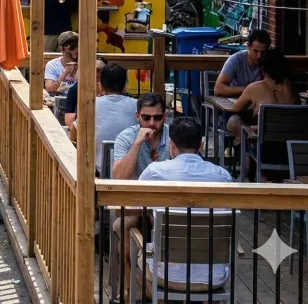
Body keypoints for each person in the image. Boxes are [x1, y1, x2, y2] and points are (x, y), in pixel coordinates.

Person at [135, 117, 233, 292]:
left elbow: (139, 207)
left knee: (135, 252)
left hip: (164, 274)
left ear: (171, 145)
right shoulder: (222, 176)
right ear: (201, 145)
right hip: (212, 277)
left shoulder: (155, 172)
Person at [109, 92, 170, 299]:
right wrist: (137, 143)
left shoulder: (174, 137)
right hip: (138, 207)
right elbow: (120, 177)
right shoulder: (127, 137)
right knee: (123, 227)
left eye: (157, 117)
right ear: (137, 117)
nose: (152, 123)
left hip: (168, 208)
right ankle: (130, 292)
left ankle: (154, 287)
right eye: (146, 117)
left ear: (165, 116)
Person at [66, 63, 138, 175]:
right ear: (125, 86)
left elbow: (74, 135)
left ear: (100, 86)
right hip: (132, 172)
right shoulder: (138, 105)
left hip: (97, 172)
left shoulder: (91, 105)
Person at [229, 47, 295, 147]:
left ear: (263, 68)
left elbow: (236, 108)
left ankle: (243, 145)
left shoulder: (255, 87)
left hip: (265, 147)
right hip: (290, 146)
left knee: (233, 120)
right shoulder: (289, 87)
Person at [213, 29, 269, 96]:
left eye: (263, 52)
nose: (259, 56)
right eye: (256, 51)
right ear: (248, 46)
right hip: (235, 101)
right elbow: (218, 89)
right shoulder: (236, 59)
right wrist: (248, 89)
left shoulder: (269, 60)